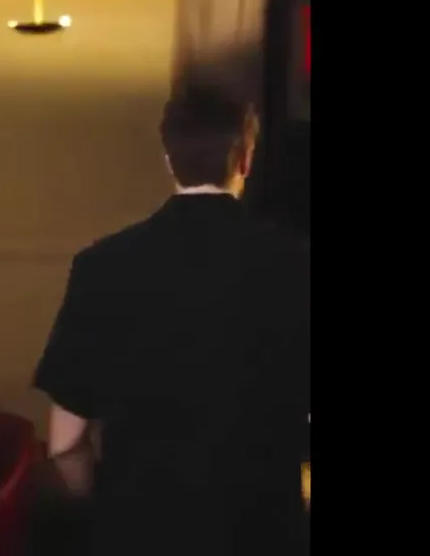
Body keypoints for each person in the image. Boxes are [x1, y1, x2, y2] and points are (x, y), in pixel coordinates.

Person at [32, 81, 310, 555]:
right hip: (264, 533)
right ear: (245, 159)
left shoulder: (102, 266)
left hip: (137, 533)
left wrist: (105, 503)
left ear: (169, 160)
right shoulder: (297, 265)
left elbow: (64, 443)